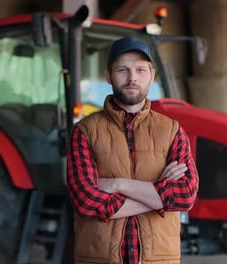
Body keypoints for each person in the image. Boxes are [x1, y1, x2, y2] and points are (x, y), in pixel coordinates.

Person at [66, 36, 199, 264]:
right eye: (122, 70)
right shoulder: (85, 132)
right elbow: (87, 200)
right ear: (108, 76)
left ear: (152, 76)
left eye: (140, 70)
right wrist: (159, 196)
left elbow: (185, 196)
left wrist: (117, 184)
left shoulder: (171, 131)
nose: (132, 78)